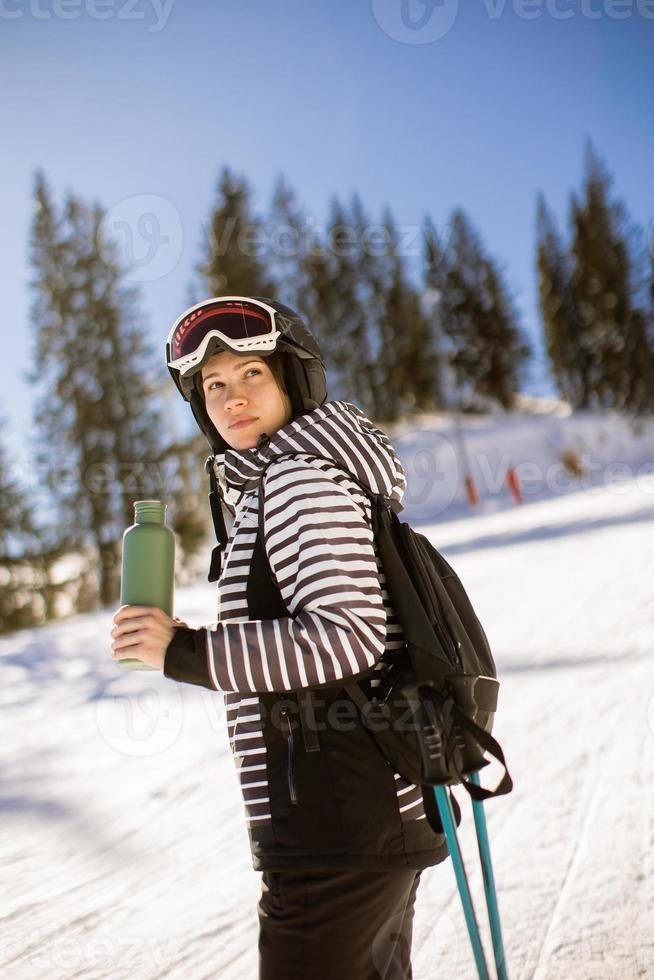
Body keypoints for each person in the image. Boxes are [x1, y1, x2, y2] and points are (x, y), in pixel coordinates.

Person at [111, 296, 449, 979]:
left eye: (251, 375)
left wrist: (182, 651)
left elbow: (347, 639)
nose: (232, 398)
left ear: (293, 377)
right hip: (355, 820)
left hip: (336, 827)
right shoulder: (280, 482)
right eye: (214, 386)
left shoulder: (297, 481)